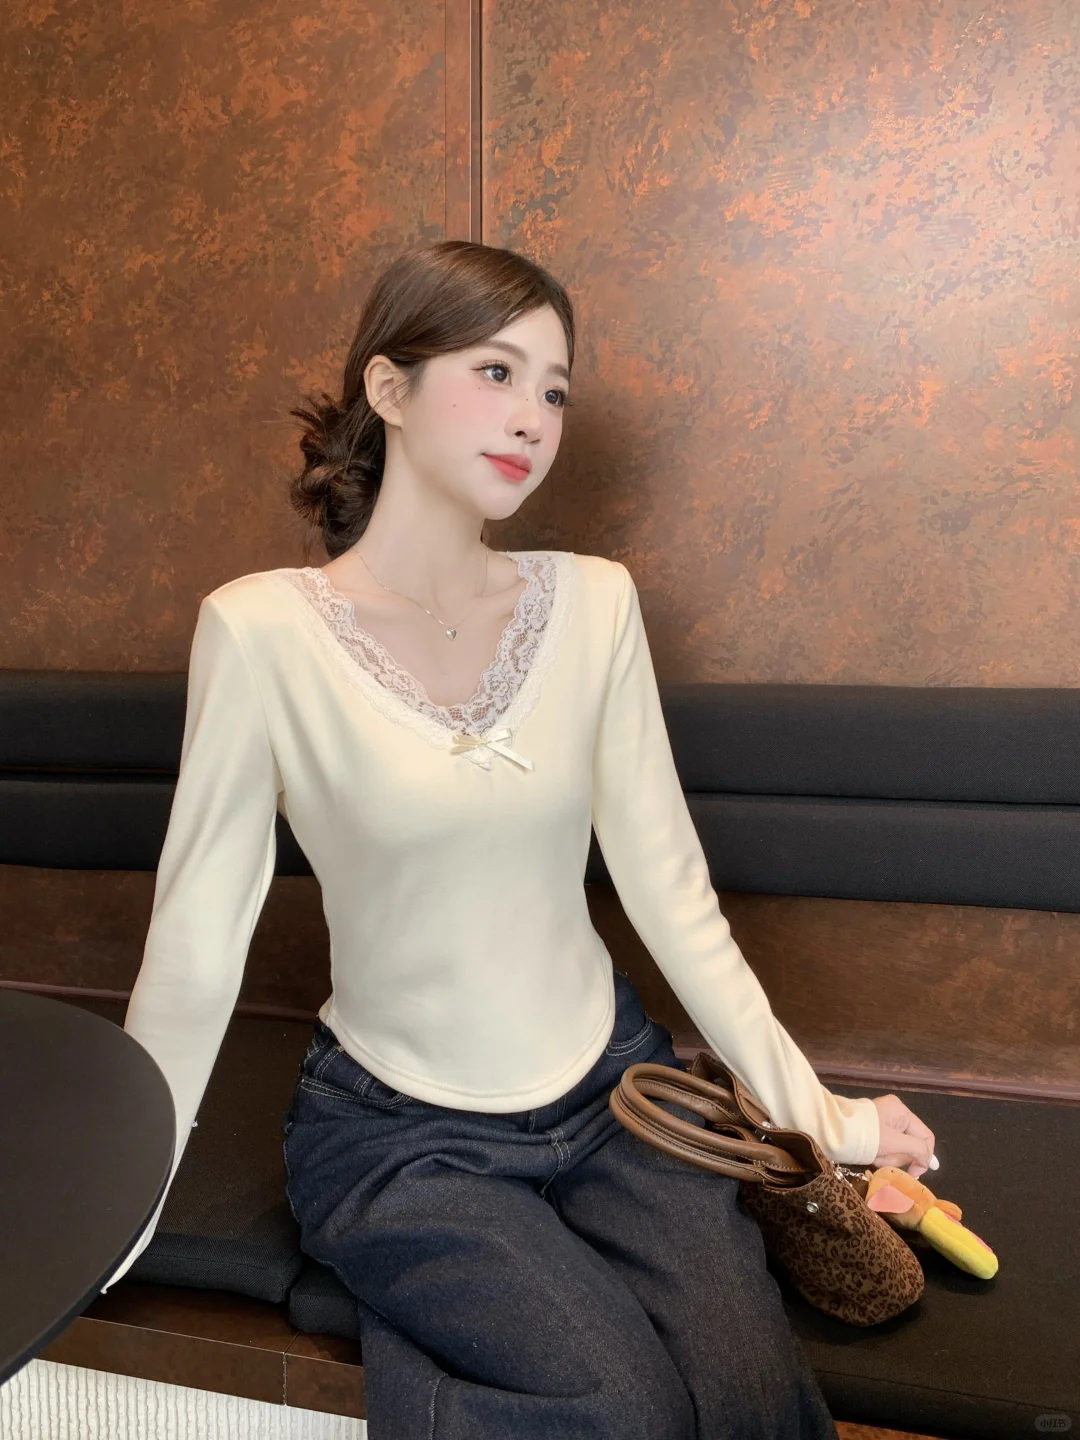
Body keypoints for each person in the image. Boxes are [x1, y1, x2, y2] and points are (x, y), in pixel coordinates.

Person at [101, 240, 937, 1438]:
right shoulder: (259, 632)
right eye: (495, 372)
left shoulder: (594, 603)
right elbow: (197, 945)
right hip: (397, 1135)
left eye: (554, 389)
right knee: (618, 1404)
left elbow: (673, 893)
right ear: (388, 388)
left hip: (618, 1096)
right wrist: (118, 1205)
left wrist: (825, 1119)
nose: (533, 417)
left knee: (753, 1399)